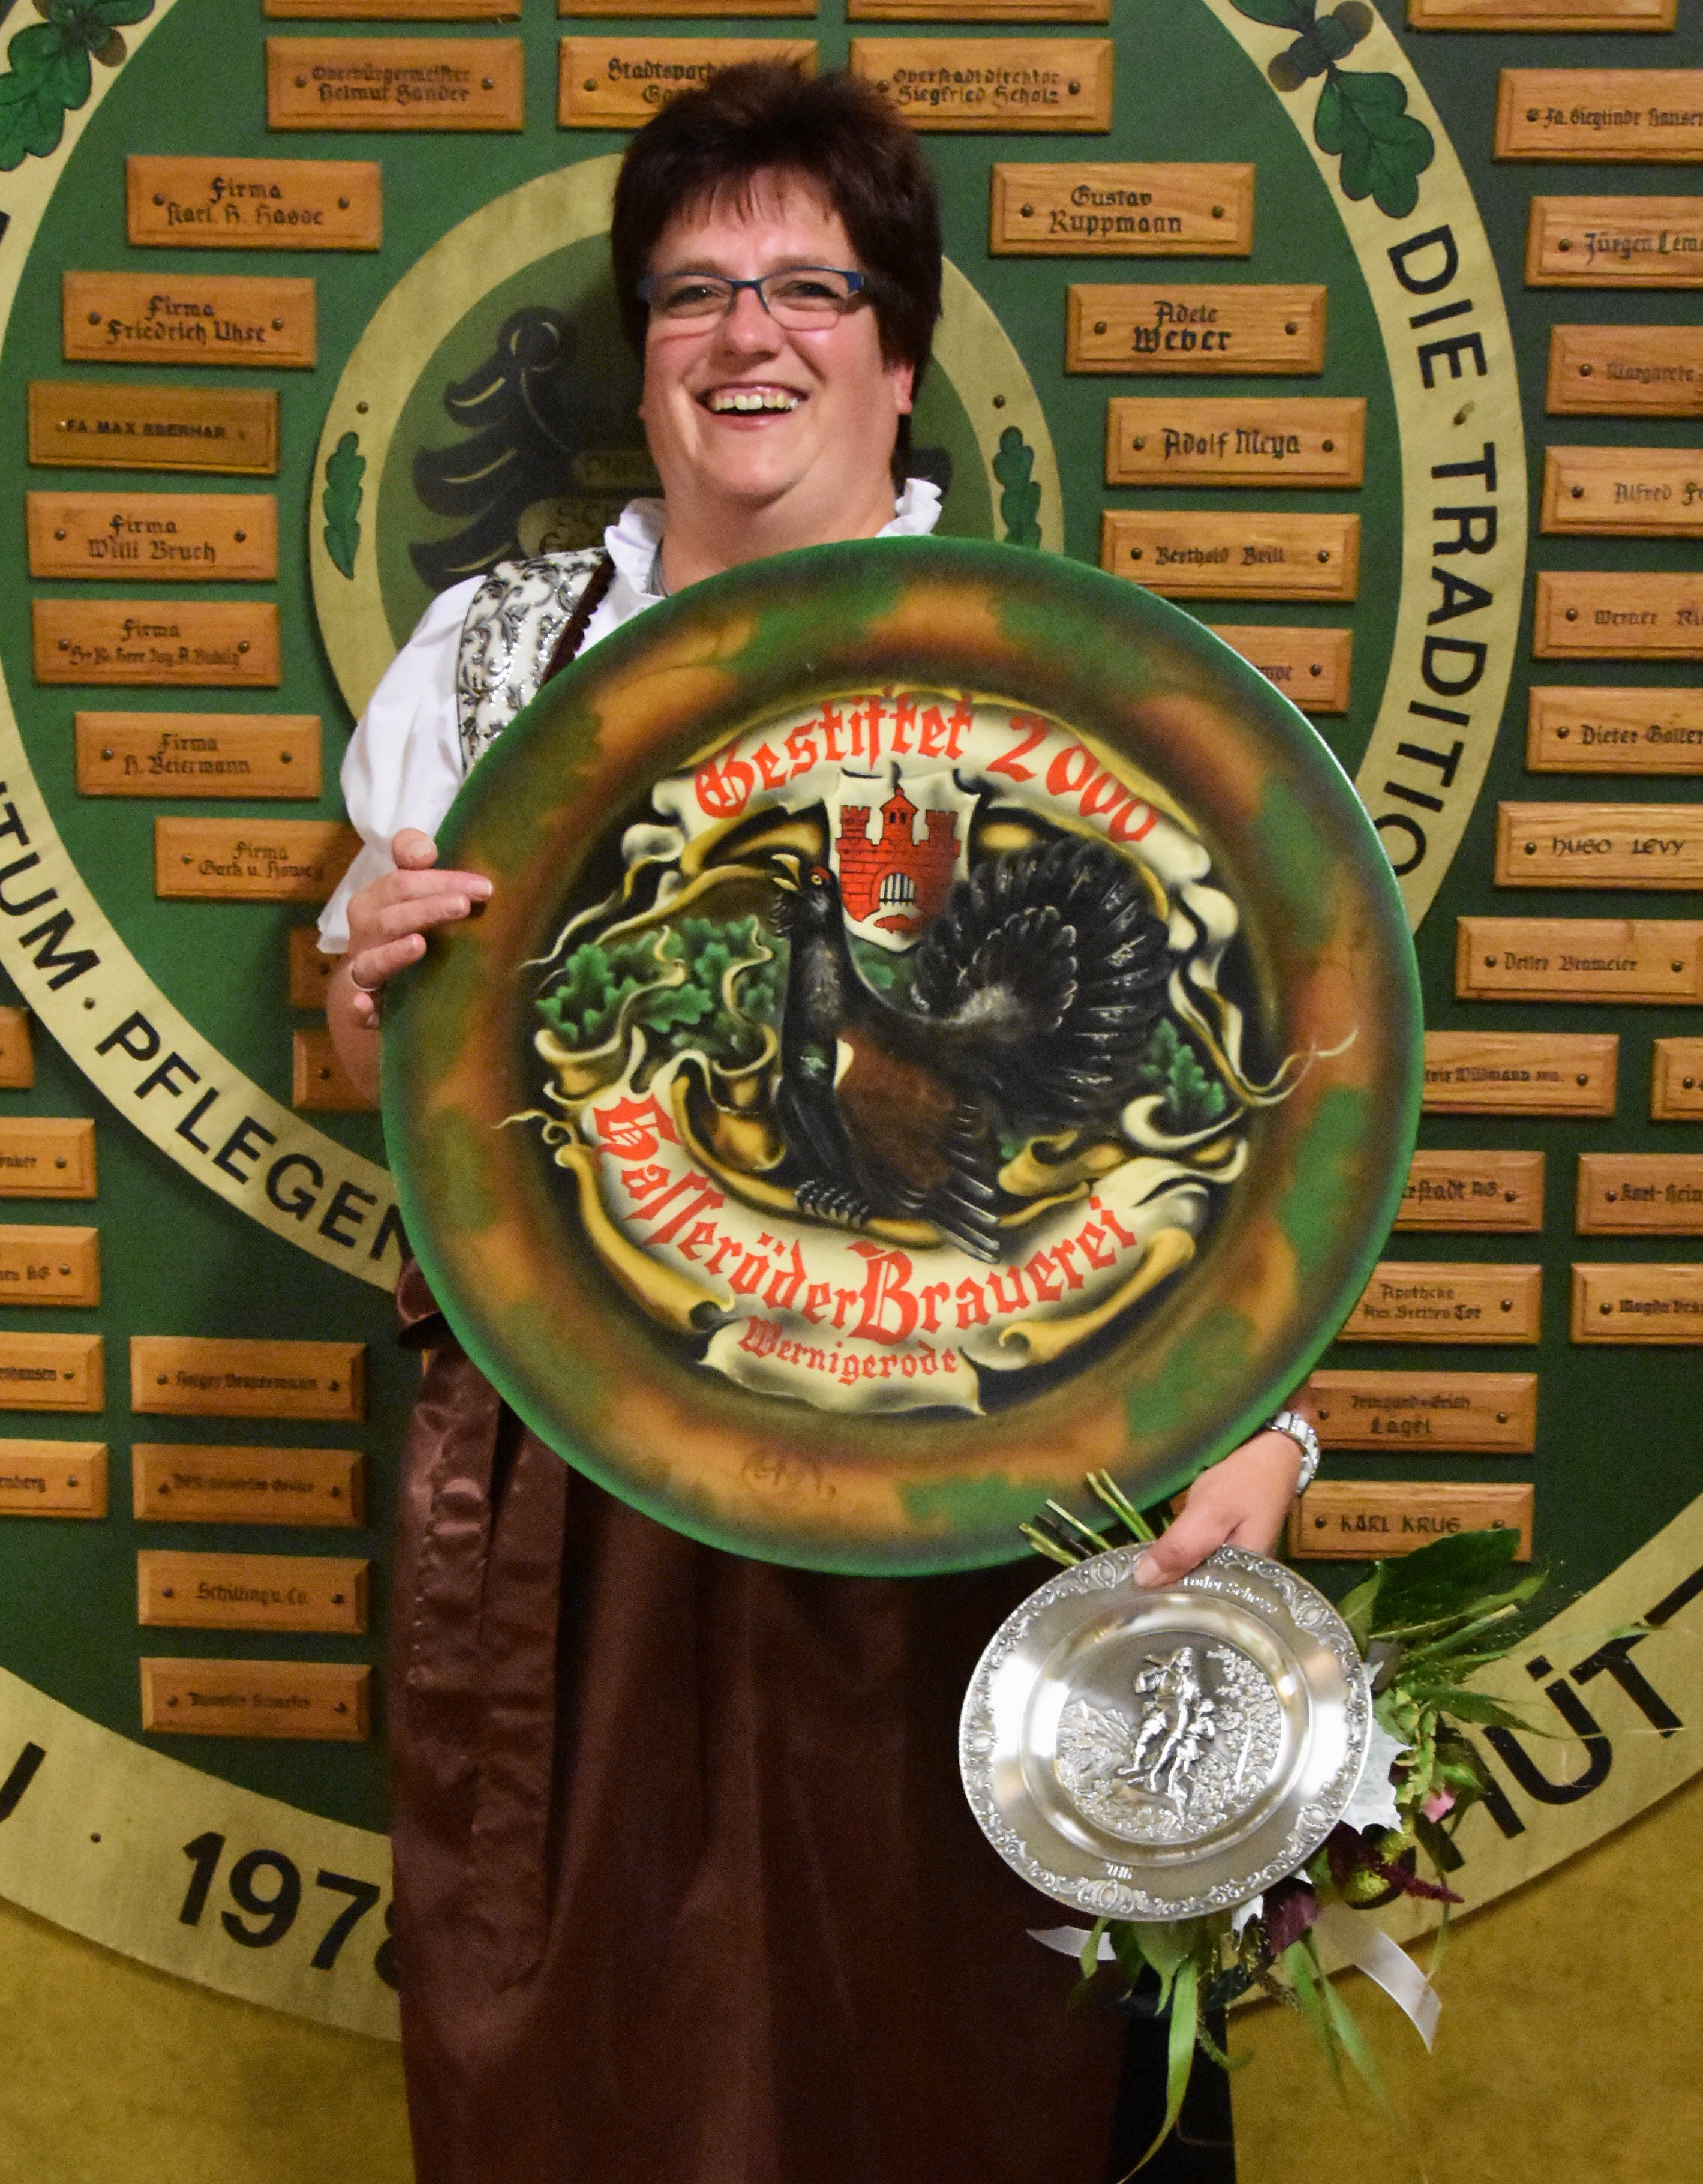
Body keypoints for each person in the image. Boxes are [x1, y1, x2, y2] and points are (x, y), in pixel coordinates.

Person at [319, 64, 1312, 2184]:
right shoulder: (484, 663)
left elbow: (1247, 1112)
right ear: (642, 353)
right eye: (692, 292)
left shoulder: (1048, 670)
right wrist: (366, 984)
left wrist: (1267, 1429)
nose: (744, 335)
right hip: (592, 1480)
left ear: (899, 351)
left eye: (806, 288)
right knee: (601, 2078)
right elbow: (376, 1046)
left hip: (974, 1464)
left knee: (961, 2059)